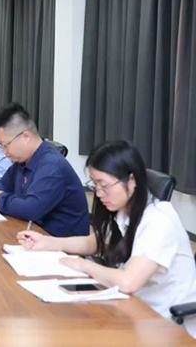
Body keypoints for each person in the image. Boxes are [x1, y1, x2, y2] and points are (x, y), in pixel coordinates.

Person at [18, 141, 196, 338]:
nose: (99, 194)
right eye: (95, 185)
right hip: (132, 306)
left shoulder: (159, 220)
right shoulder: (125, 209)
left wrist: (83, 265)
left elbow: (128, 282)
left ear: (131, 180)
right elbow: (96, 243)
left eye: (104, 186)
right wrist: (48, 242)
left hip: (167, 324)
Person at [0, 103, 89, 237]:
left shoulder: (52, 166)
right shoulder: (21, 160)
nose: (4, 152)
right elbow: (0, 187)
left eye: (4, 145)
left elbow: (31, 209)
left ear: (25, 137)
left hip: (59, 243)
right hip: (32, 234)